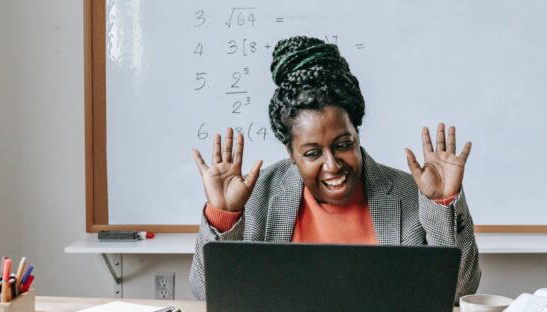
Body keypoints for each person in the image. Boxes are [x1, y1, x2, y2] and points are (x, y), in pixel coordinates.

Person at [189, 36, 480, 301]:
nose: (332, 165)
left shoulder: (410, 195)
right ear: (291, 153)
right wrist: (224, 217)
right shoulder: (255, 197)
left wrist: (442, 204)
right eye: (313, 153)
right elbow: (206, 295)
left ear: (357, 133)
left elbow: (459, 294)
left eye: (342, 145)